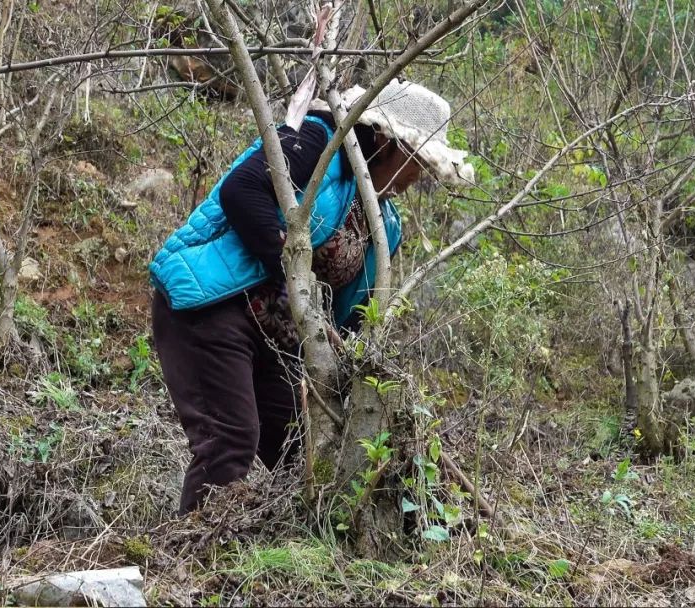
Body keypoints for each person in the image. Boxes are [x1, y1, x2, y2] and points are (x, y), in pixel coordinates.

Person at [149, 80, 473, 514]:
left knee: (301, 451)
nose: (417, 178)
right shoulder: (316, 143)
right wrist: (291, 270)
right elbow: (241, 192)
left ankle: (277, 562)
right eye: (416, 163)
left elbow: (352, 316)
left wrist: (339, 371)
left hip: (279, 343)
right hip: (214, 306)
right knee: (230, 440)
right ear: (386, 142)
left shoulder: (384, 227)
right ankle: (189, 565)